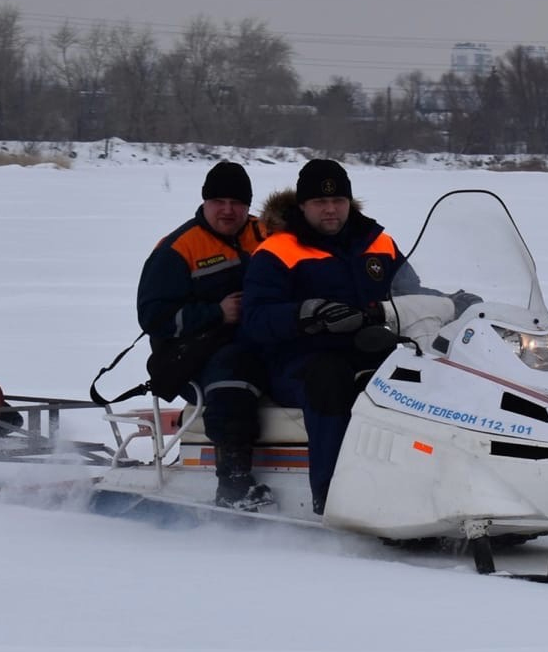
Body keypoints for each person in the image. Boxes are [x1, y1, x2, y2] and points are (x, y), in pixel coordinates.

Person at [241, 158, 403, 515]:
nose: (331, 209)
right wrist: (305, 314)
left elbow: (410, 289)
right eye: (320, 202)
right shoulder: (277, 250)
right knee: (330, 379)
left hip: (370, 348)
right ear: (303, 206)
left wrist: (454, 299)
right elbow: (254, 318)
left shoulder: (379, 242)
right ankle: (333, 496)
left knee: (416, 378)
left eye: (338, 201)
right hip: (299, 361)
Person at [135, 160, 272, 509]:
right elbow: (153, 317)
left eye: (237, 203)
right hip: (191, 353)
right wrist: (216, 313)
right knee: (232, 373)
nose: (228, 210)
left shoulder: (266, 234)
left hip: (261, 339)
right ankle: (234, 485)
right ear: (205, 202)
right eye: (219, 202)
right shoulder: (179, 249)